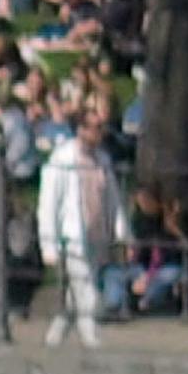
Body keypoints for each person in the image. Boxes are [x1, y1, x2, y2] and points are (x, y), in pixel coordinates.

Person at [36, 108, 121, 347]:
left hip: (97, 235)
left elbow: (113, 200)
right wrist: (48, 246)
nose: (100, 133)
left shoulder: (103, 159)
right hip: (72, 237)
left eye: (101, 127)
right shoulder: (61, 160)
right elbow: (48, 205)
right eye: (95, 127)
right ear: (81, 130)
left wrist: (121, 233)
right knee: (86, 289)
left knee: (77, 290)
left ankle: (55, 335)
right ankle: (92, 341)